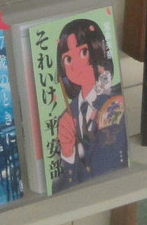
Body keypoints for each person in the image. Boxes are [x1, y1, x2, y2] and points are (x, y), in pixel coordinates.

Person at [54, 18, 128, 183]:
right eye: (68, 59)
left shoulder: (115, 101)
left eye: (83, 52)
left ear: (98, 50)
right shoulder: (66, 117)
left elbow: (110, 162)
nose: (75, 66)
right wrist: (67, 153)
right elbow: (60, 185)